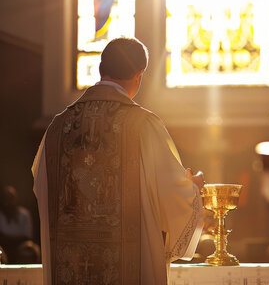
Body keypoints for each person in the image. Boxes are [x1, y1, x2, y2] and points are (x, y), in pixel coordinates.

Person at [32, 37, 205, 284]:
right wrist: (193, 190)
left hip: (70, 264)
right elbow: (170, 193)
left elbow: (41, 186)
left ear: (101, 70)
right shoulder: (142, 125)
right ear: (139, 75)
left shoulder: (58, 126)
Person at [0, 185, 36, 263]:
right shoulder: (1, 215)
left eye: (11, 198)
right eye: (6, 198)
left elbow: (27, 236)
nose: (8, 202)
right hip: (4, 247)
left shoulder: (24, 214)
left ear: (16, 199)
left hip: (21, 246)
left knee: (31, 247)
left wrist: (8, 239)